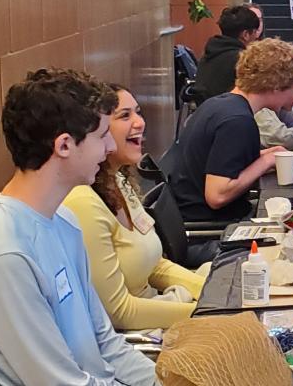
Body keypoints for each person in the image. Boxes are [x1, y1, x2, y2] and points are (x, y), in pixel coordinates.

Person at [0, 69, 158, 385]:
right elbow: (59, 382)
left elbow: (108, 346)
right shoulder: (4, 253)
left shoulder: (64, 221)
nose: (108, 148)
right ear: (64, 146)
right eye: (101, 135)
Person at [63, 84, 205, 331]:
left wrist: (209, 292)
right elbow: (119, 313)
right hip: (139, 338)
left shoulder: (118, 180)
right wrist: (204, 312)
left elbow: (154, 265)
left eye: (137, 112)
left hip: (161, 316)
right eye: (125, 116)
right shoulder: (82, 202)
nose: (139, 123)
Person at [167, 39, 293, 265]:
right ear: (276, 85)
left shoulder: (220, 105)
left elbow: (219, 165)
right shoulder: (238, 121)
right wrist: (265, 162)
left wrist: (265, 155)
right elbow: (217, 195)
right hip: (210, 233)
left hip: (198, 220)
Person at [195, 4, 262, 100]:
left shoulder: (208, 54)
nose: (256, 37)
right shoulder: (242, 60)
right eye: (255, 32)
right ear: (246, 34)